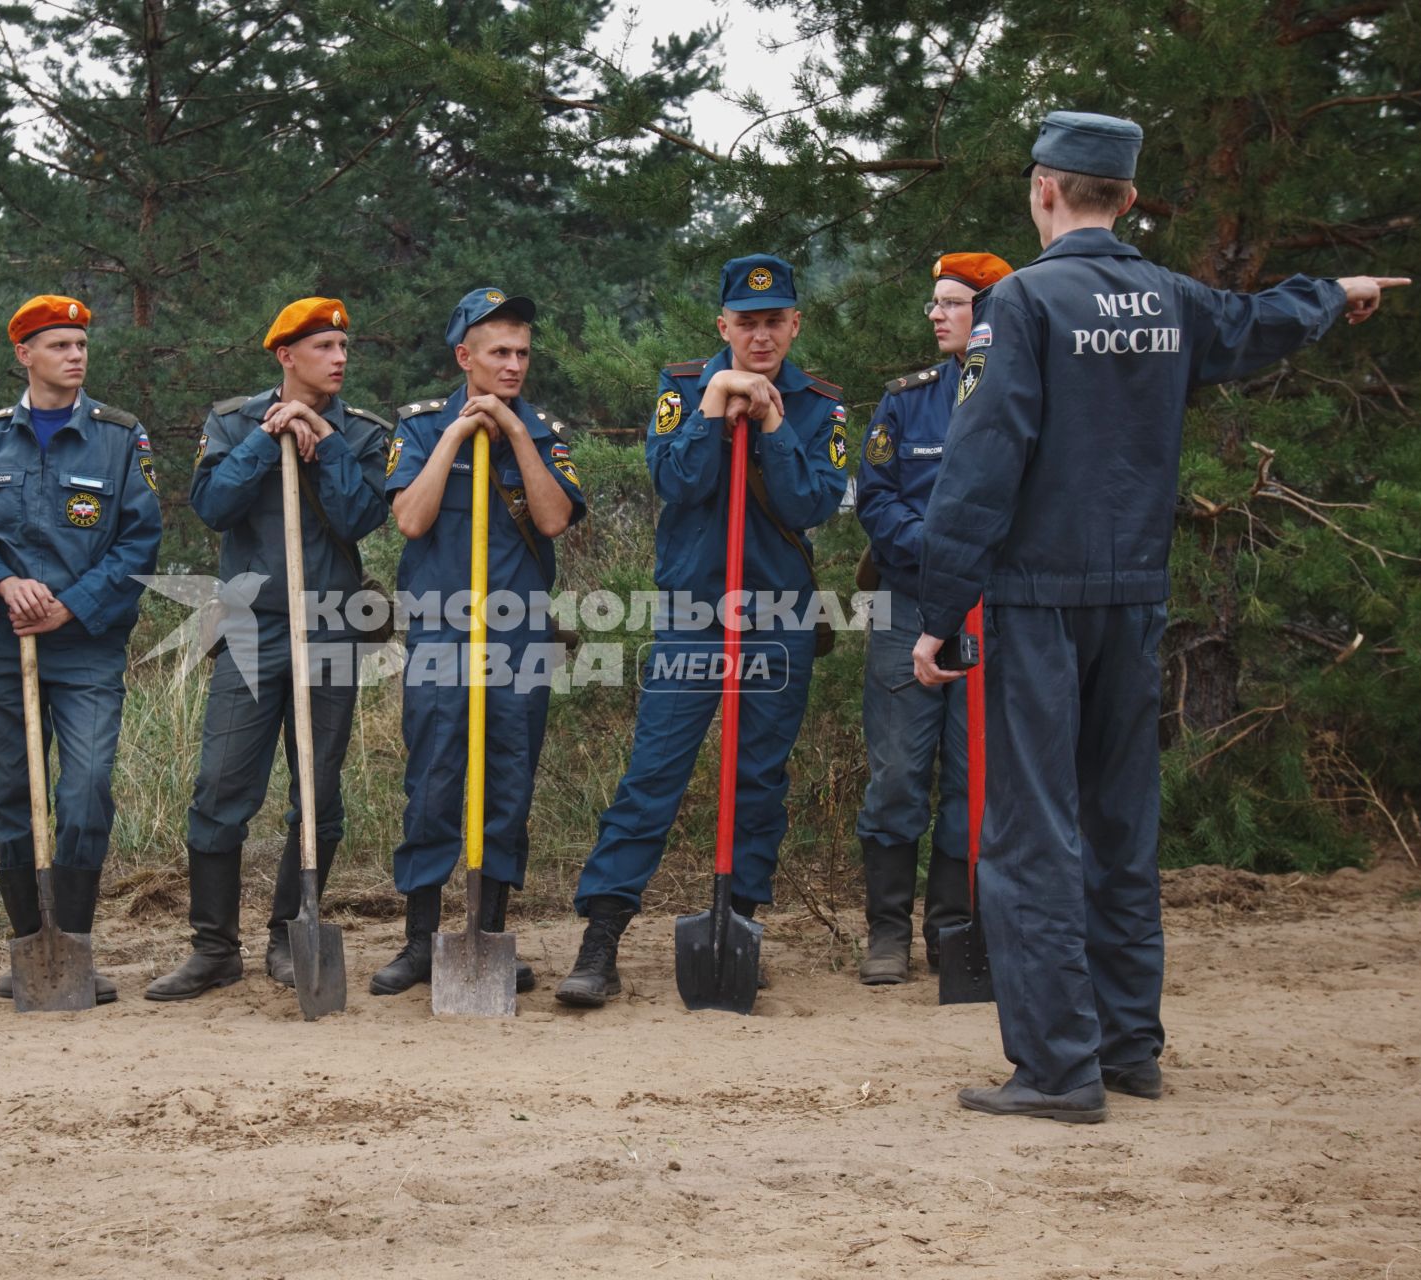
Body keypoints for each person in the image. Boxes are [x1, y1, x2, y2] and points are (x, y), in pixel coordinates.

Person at [913, 111, 1409, 1122]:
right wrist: (1337, 292)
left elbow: (983, 462)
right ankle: (1130, 1043)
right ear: (1128, 199)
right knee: (1119, 822)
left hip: (1041, 601)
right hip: (1135, 593)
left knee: (1032, 831)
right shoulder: (1169, 298)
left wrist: (938, 605)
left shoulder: (1026, 303)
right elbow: (1254, 322)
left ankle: (1059, 1066)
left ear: (1043, 192)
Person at [556, 255, 849, 1008]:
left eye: (774, 321)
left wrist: (776, 425)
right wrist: (715, 410)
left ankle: (738, 928)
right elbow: (675, 481)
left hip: (777, 619)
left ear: (794, 324)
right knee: (654, 773)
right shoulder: (684, 387)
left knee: (758, 780)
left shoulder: (820, 405)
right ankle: (603, 937)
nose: (760, 336)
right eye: (745, 323)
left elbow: (814, 502)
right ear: (723, 326)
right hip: (695, 613)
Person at [146, 298, 391, 999]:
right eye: (323, 347)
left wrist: (325, 442)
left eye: (344, 345)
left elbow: (361, 516)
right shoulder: (229, 421)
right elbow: (213, 505)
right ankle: (213, 947)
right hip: (250, 629)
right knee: (221, 788)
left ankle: (291, 933)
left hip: (332, 625)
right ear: (286, 356)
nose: (340, 357)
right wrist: (266, 439)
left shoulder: (367, 433)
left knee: (318, 794)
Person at [0, 294, 162, 1004]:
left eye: (81, 344)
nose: (75, 355)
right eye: (59, 344)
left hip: (86, 649)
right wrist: (4, 584)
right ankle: (29, 951)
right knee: (13, 796)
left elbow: (138, 542)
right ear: (24, 354)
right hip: (2, 650)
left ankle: (73, 945)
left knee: (86, 789)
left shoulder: (119, 439)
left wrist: (72, 604)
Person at [373, 287, 587, 996]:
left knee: (507, 782)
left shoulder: (546, 431)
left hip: (519, 633)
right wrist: (459, 436)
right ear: (465, 356)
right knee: (433, 780)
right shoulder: (421, 427)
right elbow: (409, 519)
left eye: (522, 352)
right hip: (441, 626)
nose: (514, 364)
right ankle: (420, 940)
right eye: (499, 352)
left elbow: (553, 520)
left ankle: (489, 935)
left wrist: (517, 435)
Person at [851, 250, 1013, 985]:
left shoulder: (1023, 394)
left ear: (991, 311)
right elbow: (877, 496)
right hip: (909, 599)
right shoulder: (907, 401)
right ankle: (887, 932)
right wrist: (941, 551)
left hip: (992, 609)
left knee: (974, 775)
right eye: (935, 302)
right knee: (897, 771)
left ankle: (953, 925)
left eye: (954, 302)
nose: (938, 315)